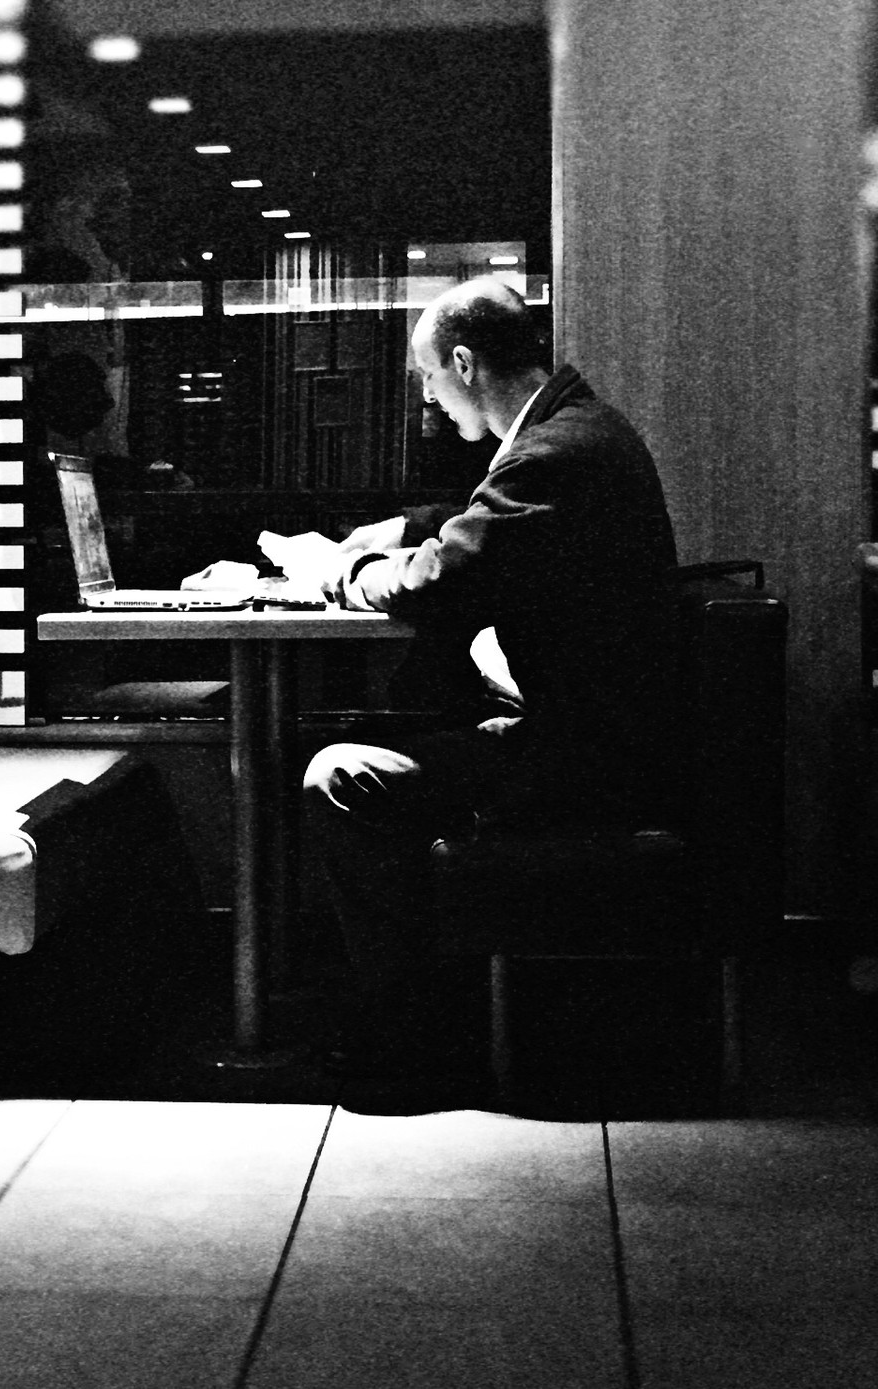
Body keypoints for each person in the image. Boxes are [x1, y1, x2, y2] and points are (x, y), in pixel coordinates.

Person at [296, 276, 680, 1108]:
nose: (430, 402)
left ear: (464, 363)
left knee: (340, 778)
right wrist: (403, 528)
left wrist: (346, 572)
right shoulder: (575, 430)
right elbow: (482, 520)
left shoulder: (557, 453)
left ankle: (418, 1043)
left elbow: (443, 581)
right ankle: (417, 1011)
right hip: (600, 733)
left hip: (588, 758)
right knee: (392, 726)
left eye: (429, 379)